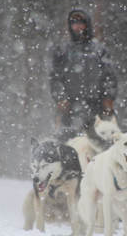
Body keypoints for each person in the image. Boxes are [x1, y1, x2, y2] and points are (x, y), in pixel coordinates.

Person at [49, 9, 118, 141]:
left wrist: (108, 99)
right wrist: (61, 98)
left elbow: (110, 77)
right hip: (70, 107)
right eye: (74, 23)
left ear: (87, 25)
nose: (78, 26)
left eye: (81, 22)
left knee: (102, 142)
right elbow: (55, 78)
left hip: (97, 106)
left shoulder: (99, 50)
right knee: (68, 142)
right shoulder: (63, 50)